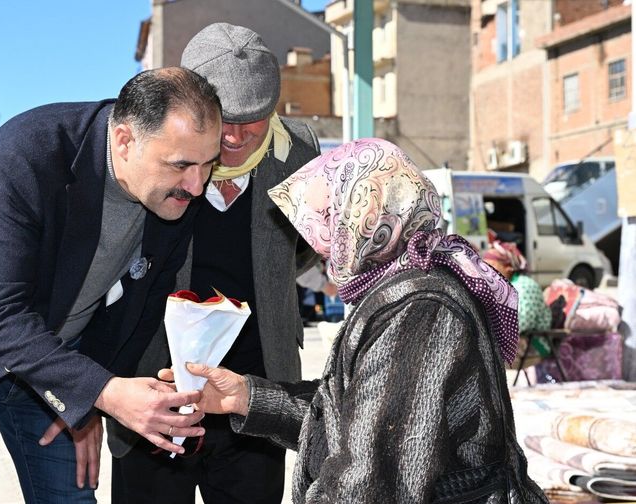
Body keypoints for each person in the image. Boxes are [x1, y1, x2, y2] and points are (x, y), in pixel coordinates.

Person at [0, 67, 221, 503]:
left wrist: (87, 401)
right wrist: (104, 392)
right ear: (126, 140)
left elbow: (139, 309)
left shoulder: (175, 193)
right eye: (182, 165)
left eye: (208, 164)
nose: (197, 185)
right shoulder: (29, 151)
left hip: (54, 353)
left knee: (70, 497)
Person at [172, 139, 547, 503]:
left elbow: (371, 482)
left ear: (363, 220)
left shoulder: (420, 309)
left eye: (328, 222)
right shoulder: (406, 286)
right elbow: (351, 419)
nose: (320, 244)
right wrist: (244, 396)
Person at [110, 23, 321, 504]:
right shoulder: (155, 149)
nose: (237, 136)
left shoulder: (300, 154)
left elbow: (301, 250)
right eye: (225, 118)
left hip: (256, 399)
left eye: (256, 120)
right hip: (157, 394)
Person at [483, 240, 552, 334]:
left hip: (531, 344)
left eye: (490, 267)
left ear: (508, 267)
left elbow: (519, 324)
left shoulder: (526, 286)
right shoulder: (500, 289)